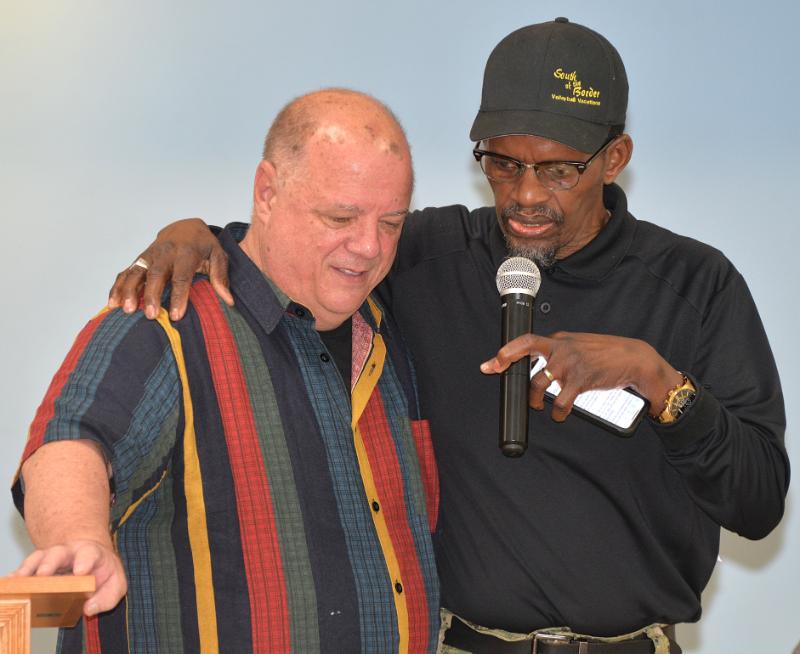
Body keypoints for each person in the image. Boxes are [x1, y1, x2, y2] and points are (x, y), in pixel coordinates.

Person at [108, 18, 789, 654]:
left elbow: (758, 504)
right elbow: (309, 257)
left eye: (558, 171)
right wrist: (202, 236)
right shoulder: (430, 255)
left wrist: (658, 381)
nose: (525, 195)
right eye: (503, 163)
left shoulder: (696, 285)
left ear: (615, 159)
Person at [11, 89, 441, 653]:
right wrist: (77, 538)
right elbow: (72, 441)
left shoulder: (389, 332)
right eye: (340, 217)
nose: (368, 246)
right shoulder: (164, 319)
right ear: (268, 192)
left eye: (391, 222)